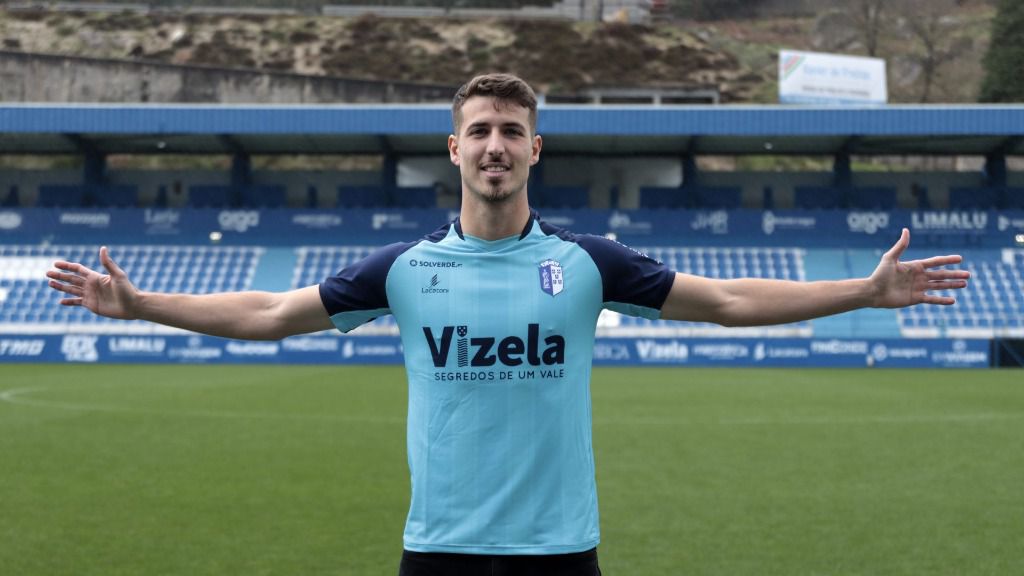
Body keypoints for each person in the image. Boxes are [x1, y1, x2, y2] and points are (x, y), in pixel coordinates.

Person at [47, 73, 970, 576]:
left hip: (559, 556)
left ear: (536, 148)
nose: (496, 144)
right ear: (455, 148)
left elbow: (727, 301)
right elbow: (270, 311)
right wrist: (144, 304)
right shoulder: (403, 269)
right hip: (438, 553)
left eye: (511, 130)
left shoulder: (590, 262)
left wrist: (860, 292)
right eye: (480, 130)